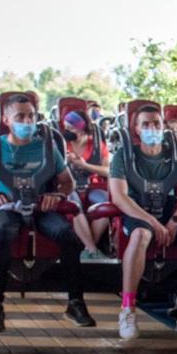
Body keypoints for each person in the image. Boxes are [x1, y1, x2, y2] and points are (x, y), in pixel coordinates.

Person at [0, 94, 95, 334]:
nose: (27, 121)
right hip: (6, 208)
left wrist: (58, 195)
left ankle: (75, 302)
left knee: (68, 236)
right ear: (7, 120)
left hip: (40, 207)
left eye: (31, 116)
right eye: (20, 116)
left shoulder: (47, 147)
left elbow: (67, 183)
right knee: (6, 232)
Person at [109, 104, 177, 340]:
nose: (152, 128)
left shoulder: (175, 154)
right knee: (141, 235)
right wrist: (152, 221)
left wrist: (174, 220)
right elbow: (119, 196)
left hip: (168, 209)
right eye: (146, 124)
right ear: (136, 129)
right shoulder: (124, 156)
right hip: (138, 209)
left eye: (156, 124)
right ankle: (127, 308)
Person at [61, 110, 111, 258]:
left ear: (81, 129)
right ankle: (92, 249)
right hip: (70, 185)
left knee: (106, 204)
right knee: (73, 204)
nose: (67, 131)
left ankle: (87, 247)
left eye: (71, 128)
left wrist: (85, 166)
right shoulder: (62, 143)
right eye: (65, 128)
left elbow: (107, 171)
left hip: (92, 185)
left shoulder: (97, 145)